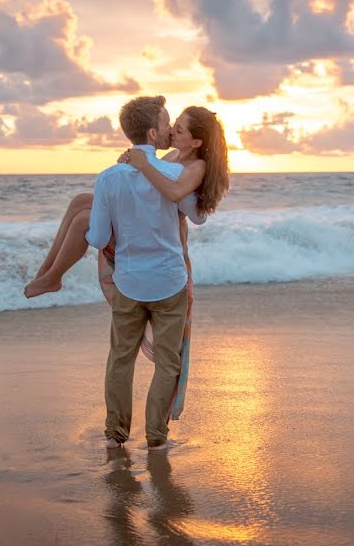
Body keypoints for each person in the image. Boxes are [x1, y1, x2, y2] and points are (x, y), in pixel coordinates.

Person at [31, 95, 228, 450]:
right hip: (167, 277)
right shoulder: (172, 164)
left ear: (195, 140)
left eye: (178, 128)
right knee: (79, 203)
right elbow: (167, 195)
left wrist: (138, 167)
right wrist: (140, 170)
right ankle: (156, 438)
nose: (172, 130)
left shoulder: (184, 170)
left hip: (133, 275)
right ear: (155, 133)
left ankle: (116, 435)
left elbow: (189, 209)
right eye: (170, 125)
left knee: (121, 357)